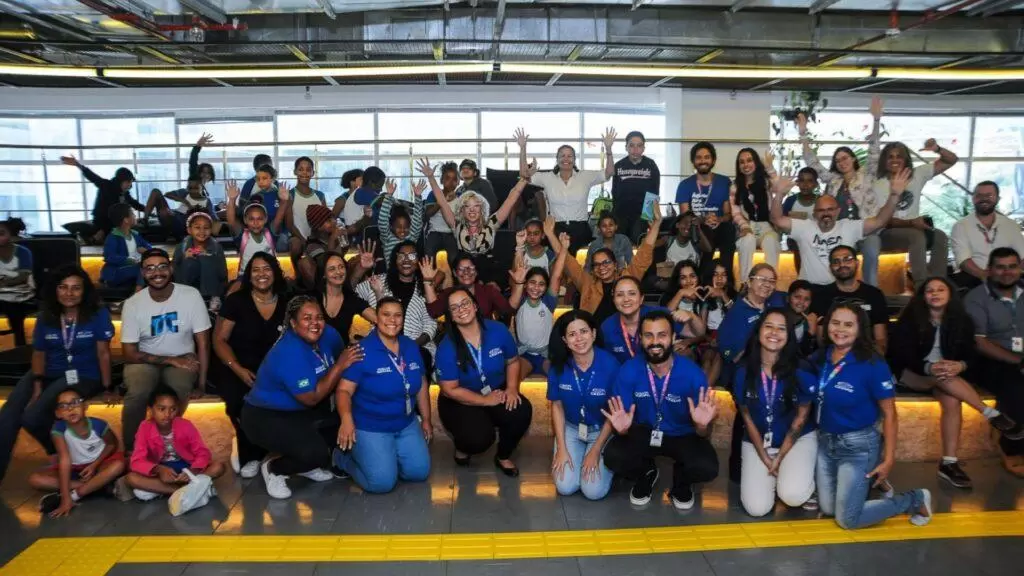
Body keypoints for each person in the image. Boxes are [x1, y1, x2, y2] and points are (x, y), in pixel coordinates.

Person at [890, 276, 1023, 488]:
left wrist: (960, 365)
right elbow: (900, 355)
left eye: (940, 289)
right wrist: (929, 367)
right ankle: (990, 413)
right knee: (942, 376)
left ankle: (949, 463)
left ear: (950, 294)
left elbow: (971, 354)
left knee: (952, 401)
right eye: (930, 290)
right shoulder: (909, 320)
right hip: (912, 375)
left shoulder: (962, 321)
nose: (935, 293)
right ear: (923, 296)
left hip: (946, 378)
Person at [813, 302, 932, 529]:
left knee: (847, 520)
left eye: (848, 325)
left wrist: (889, 459)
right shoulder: (821, 357)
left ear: (860, 329)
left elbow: (890, 413)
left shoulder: (873, 363)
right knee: (828, 509)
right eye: (835, 323)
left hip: (858, 446)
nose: (840, 329)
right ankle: (866, 489)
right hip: (826, 442)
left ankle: (914, 499)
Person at [0, 265, 115, 483]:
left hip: (84, 374)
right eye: (63, 287)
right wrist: (37, 385)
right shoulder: (46, 316)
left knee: (33, 417)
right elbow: (39, 353)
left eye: (76, 288)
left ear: (84, 291)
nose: (69, 293)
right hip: (47, 371)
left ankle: (59, 453)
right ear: (55, 290)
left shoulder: (97, 314)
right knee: (8, 415)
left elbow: (103, 353)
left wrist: (108, 387)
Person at [242, 296, 364, 499]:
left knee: (347, 418)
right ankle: (274, 468)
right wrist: (339, 365)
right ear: (293, 323)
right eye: (307, 318)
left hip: (302, 411)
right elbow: (312, 397)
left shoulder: (329, 334)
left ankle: (305, 465)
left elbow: (342, 357)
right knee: (316, 453)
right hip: (266, 415)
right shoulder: (289, 352)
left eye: (319, 317)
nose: (315, 323)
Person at [602, 309, 719, 509]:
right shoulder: (629, 370)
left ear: (673, 338)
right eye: (648, 335)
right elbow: (622, 422)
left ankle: (681, 480)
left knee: (706, 466)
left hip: (683, 434)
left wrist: (701, 426)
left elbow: (703, 433)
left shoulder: (693, 374)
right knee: (614, 455)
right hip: (645, 430)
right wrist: (622, 430)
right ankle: (646, 473)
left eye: (662, 335)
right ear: (640, 339)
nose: (655, 342)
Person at [334, 298, 433, 493]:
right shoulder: (361, 350)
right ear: (376, 318)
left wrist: (427, 420)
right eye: (386, 314)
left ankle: (388, 455)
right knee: (382, 483)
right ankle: (342, 458)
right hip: (371, 425)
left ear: (403, 319)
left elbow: (421, 384)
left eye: (397, 315)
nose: (392, 320)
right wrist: (346, 419)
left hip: (406, 423)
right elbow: (343, 390)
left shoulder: (411, 346)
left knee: (419, 472)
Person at [119, 248, 211, 453]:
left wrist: (201, 384)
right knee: (138, 393)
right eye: (150, 268)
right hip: (144, 360)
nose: (157, 273)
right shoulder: (133, 304)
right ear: (142, 273)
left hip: (183, 358)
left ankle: (165, 446)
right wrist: (169, 360)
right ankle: (132, 450)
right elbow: (129, 353)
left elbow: (203, 343)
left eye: (162, 266)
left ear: (171, 269)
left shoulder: (190, 295)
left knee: (177, 391)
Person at [435, 287, 531, 476]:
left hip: (496, 389)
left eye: (465, 303)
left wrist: (512, 388)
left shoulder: (498, 330)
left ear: (475, 306)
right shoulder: (447, 346)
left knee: (521, 412)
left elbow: (513, 361)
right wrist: (485, 401)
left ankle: (503, 456)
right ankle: (462, 447)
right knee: (478, 439)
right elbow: (449, 389)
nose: (461, 309)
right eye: (454, 308)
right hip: (459, 399)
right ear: (451, 316)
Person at [212, 253, 290, 479]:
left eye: (266, 269)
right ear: (249, 275)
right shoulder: (237, 301)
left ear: (275, 272)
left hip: (274, 367)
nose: (261, 274)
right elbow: (219, 340)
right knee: (241, 400)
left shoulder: (287, 301)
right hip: (238, 366)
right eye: (255, 270)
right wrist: (237, 368)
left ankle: (276, 451)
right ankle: (249, 453)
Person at [735, 308, 817, 517]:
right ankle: (779, 477)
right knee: (756, 509)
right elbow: (746, 417)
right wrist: (765, 458)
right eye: (768, 326)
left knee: (792, 495)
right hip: (759, 440)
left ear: (789, 336)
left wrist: (779, 457)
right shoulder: (743, 370)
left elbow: (800, 419)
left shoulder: (802, 369)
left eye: (781, 328)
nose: (774, 333)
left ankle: (802, 479)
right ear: (758, 331)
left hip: (796, 439)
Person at [797, 98, 883, 284]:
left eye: (845, 158)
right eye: (837, 160)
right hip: (841, 232)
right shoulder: (833, 180)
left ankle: (870, 290)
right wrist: (803, 134)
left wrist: (876, 120)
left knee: (871, 249)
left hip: (865, 229)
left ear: (853, 159)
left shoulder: (866, 175)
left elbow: (874, 152)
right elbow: (812, 161)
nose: (841, 162)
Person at [770, 169, 907, 287]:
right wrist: (779, 195)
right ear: (814, 213)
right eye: (821, 210)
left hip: (840, 289)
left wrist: (894, 196)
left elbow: (880, 221)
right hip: (810, 290)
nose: (826, 213)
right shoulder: (804, 227)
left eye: (830, 209)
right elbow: (777, 219)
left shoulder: (849, 226)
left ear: (838, 211)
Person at [416, 157, 531, 284]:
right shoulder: (457, 225)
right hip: (463, 274)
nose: (472, 210)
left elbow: (511, 199)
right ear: (462, 210)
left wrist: (524, 180)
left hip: (488, 273)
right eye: (467, 206)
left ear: (482, 209)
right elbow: (442, 201)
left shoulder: (491, 223)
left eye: (476, 206)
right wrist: (431, 178)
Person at [964, 247, 1024, 477]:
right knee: (1015, 386)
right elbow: (980, 343)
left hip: (1020, 357)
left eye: (1012, 267)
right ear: (989, 270)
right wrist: (1019, 361)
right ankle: (1012, 449)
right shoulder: (976, 298)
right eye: (1000, 267)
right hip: (988, 359)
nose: (1007, 272)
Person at [547, 310, 620, 500]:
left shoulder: (611, 365)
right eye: (572, 334)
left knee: (593, 492)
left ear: (593, 334)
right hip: (571, 428)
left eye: (584, 331)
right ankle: (578, 463)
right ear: (565, 340)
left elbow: (614, 413)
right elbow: (557, 406)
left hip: (601, 429)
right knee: (565, 487)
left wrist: (595, 451)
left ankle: (606, 465)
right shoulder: (558, 366)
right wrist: (561, 448)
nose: (579, 338)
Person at [869, 139, 958, 288]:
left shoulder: (917, 174)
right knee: (916, 236)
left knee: (940, 236)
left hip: (914, 227)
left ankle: (937, 284)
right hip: (887, 232)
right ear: (884, 161)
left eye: (899, 156)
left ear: (906, 160)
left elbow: (951, 160)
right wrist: (911, 223)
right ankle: (921, 286)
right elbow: (882, 221)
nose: (895, 160)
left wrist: (937, 148)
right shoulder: (879, 185)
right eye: (890, 157)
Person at [120, 384, 225, 505]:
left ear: (178, 409)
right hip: (163, 473)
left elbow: (202, 452)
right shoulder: (144, 427)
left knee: (218, 467)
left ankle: (179, 491)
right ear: (150, 410)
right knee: (131, 479)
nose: (167, 414)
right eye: (161, 409)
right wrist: (159, 469)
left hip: (186, 468)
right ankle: (191, 490)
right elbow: (137, 460)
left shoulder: (185, 425)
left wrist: (193, 470)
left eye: (173, 409)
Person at [516, 127, 616, 252]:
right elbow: (524, 174)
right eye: (562, 156)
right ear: (557, 159)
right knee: (559, 262)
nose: (566, 159)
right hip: (556, 229)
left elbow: (609, 173)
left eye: (570, 156)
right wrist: (523, 148)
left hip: (580, 229)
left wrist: (608, 149)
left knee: (579, 263)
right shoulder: (547, 177)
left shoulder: (585, 176)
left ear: (574, 160)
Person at [29, 388, 124, 517]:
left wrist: (94, 465)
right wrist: (65, 498)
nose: (70, 408)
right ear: (58, 413)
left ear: (85, 406)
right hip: (76, 469)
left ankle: (76, 494)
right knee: (35, 479)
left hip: (100, 464)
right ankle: (97, 487)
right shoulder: (58, 430)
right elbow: (64, 460)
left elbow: (112, 444)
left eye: (75, 402)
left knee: (118, 466)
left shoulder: (98, 424)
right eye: (63, 406)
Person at [563, 206, 660, 324]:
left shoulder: (627, 279)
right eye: (597, 264)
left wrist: (656, 225)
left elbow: (642, 257)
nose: (602, 267)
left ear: (615, 264)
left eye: (606, 262)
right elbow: (571, 265)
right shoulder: (589, 284)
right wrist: (558, 243)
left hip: (624, 329)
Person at [354, 241, 439, 371]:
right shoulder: (378, 281)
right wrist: (361, 269)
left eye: (412, 256)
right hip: (380, 346)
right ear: (395, 259)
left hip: (417, 347)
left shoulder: (425, 287)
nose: (406, 260)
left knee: (418, 360)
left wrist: (410, 346)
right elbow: (349, 292)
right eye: (401, 256)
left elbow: (431, 323)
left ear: (418, 261)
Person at [602, 275, 705, 365]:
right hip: (629, 378)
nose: (626, 299)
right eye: (620, 295)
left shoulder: (659, 314)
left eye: (632, 293)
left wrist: (692, 317)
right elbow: (609, 363)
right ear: (614, 300)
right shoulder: (607, 326)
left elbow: (697, 333)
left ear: (641, 298)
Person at [675, 142, 736, 285]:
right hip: (698, 228)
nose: (703, 161)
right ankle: (703, 283)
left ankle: (726, 282)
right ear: (693, 161)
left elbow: (728, 214)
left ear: (713, 160)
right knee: (704, 234)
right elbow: (685, 218)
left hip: (720, 227)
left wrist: (719, 219)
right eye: (699, 157)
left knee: (729, 229)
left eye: (707, 157)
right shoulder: (685, 185)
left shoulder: (724, 182)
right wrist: (703, 220)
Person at [509, 232, 569, 378]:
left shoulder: (548, 301)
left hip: (546, 355)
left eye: (541, 284)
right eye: (532, 283)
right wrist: (520, 246)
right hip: (525, 355)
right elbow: (519, 273)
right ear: (525, 284)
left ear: (546, 288)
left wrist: (564, 248)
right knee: (513, 376)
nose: (536, 288)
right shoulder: (520, 300)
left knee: (558, 377)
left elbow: (556, 276)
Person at [810, 245, 889, 355]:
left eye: (847, 259)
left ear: (857, 263)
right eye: (836, 261)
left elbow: (880, 339)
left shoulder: (874, 295)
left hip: (866, 356)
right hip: (832, 356)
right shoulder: (822, 295)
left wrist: (873, 360)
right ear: (831, 267)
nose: (842, 265)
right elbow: (821, 339)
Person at [951, 181, 1024, 290]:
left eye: (989, 195)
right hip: (974, 277)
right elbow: (963, 260)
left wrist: (1010, 275)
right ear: (973, 199)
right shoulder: (961, 226)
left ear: (997, 198)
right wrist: (984, 275)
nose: (984, 199)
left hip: (1009, 276)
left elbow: (1022, 257)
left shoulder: (1010, 225)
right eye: (979, 195)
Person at [60, 154, 141, 243]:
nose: (130, 185)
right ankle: (94, 238)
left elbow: (134, 203)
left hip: (112, 220)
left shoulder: (124, 193)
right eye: (128, 182)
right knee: (114, 227)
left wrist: (147, 210)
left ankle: (97, 237)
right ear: (121, 181)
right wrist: (77, 164)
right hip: (102, 219)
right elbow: (92, 177)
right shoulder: (106, 185)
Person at [732, 148, 781, 281]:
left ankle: (770, 283)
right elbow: (735, 211)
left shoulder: (766, 181)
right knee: (747, 240)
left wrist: (770, 167)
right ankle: (745, 283)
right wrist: (744, 226)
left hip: (767, 227)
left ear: (756, 162)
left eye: (749, 160)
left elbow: (780, 187)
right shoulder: (735, 186)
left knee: (771, 243)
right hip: (747, 225)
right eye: (742, 162)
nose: (745, 165)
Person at [422, 252, 513, 321]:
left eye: (471, 268)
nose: (466, 272)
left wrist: (518, 284)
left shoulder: (488, 291)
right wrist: (427, 280)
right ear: (455, 273)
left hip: (485, 336)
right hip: (458, 338)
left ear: (476, 272)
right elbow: (434, 311)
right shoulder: (449, 293)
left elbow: (508, 309)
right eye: (461, 269)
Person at [225, 180, 285, 279]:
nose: (256, 223)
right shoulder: (242, 235)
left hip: (270, 276)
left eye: (260, 219)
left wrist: (284, 201)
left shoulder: (270, 233)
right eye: (251, 219)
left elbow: (279, 218)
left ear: (266, 219)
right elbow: (231, 221)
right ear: (245, 220)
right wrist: (231, 200)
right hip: (245, 277)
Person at [171, 210, 228, 311]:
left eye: (206, 228)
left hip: (210, 291)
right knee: (189, 262)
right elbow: (174, 270)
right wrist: (185, 258)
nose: (202, 231)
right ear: (189, 230)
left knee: (207, 260)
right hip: (186, 289)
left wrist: (208, 256)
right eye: (197, 227)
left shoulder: (216, 248)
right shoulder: (181, 247)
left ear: (211, 230)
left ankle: (212, 298)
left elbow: (222, 274)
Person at [611, 130, 661, 242]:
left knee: (638, 242)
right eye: (631, 145)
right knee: (621, 244)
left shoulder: (651, 165)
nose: (635, 149)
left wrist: (648, 217)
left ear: (643, 148)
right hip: (621, 215)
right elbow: (615, 192)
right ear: (626, 147)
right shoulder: (619, 165)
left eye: (639, 146)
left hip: (642, 216)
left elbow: (654, 193)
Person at [318, 252, 375, 347]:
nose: (338, 272)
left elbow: (379, 320)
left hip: (342, 354)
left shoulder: (351, 299)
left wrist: (379, 292)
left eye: (341, 267)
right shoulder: (313, 298)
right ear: (324, 274)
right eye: (332, 269)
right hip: (314, 352)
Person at [145, 176, 222, 241]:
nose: (192, 191)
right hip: (175, 215)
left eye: (196, 188)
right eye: (190, 188)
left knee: (165, 213)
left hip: (184, 222)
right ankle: (145, 220)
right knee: (155, 192)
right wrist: (185, 202)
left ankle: (169, 233)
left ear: (202, 187)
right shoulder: (185, 193)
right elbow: (167, 194)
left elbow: (214, 218)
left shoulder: (207, 201)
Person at [0, 217, 35, 346]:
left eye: (1, 233)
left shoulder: (23, 252)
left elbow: (23, 276)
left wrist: (4, 283)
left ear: (11, 235)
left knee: (12, 307)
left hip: (20, 292)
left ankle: (20, 347)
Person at [101, 203, 151, 289]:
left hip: (134, 268)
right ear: (126, 220)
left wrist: (146, 250)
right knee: (143, 269)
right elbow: (109, 257)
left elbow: (149, 246)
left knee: (149, 267)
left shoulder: (135, 235)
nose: (135, 216)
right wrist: (129, 260)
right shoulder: (113, 237)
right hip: (116, 272)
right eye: (132, 214)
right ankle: (138, 292)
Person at [286, 156, 329, 259]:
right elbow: (290, 225)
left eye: (308, 170)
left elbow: (325, 221)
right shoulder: (290, 195)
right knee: (295, 244)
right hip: (297, 237)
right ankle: (297, 268)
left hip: (316, 238)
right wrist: (303, 241)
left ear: (313, 173)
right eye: (301, 169)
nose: (304, 173)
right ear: (295, 172)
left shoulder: (320, 195)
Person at [782, 167, 821, 275]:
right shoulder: (790, 201)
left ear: (816, 184)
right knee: (800, 244)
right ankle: (802, 276)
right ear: (797, 183)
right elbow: (782, 221)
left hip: (816, 238)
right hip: (795, 239)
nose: (805, 184)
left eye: (810, 181)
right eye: (802, 180)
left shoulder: (821, 201)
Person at [378, 178, 425, 265]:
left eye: (406, 227)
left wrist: (418, 197)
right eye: (398, 227)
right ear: (391, 227)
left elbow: (417, 220)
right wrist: (389, 196)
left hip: (410, 272)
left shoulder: (412, 237)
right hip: (392, 273)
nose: (402, 230)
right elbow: (382, 221)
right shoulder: (387, 238)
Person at [296, 203, 342, 290]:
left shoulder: (335, 236)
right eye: (328, 220)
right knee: (303, 262)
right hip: (323, 280)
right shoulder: (312, 245)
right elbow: (327, 264)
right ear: (318, 226)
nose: (334, 221)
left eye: (333, 218)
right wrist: (332, 239)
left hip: (339, 274)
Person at [423, 162, 461, 258]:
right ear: (442, 180)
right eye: (447, 178)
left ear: (458, 182)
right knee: (429, 254)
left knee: (453, 256)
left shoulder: (460, 197)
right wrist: (442, 201)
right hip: (435, 232)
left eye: (454, 179)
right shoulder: (433, 194)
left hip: (451, 233)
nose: (451, 182)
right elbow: (428, 213)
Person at [786, 279, 818, 356]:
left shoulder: (809, 322)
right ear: (788, 298)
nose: (801, 302)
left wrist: (811, 331)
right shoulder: (779, 318)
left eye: (806, 299)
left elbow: (806, 353)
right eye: (797, 297)